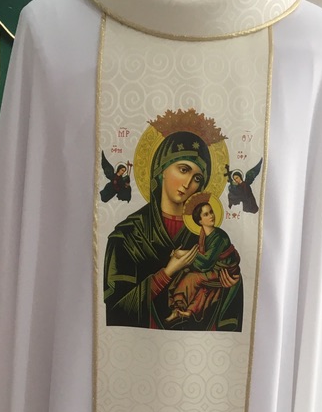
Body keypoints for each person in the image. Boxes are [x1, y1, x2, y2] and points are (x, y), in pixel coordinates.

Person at [103, 129, 244, 331]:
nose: (188, 184)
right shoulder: (127, 235)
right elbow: (115, 311)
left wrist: (228, 284)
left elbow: (229, 299)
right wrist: (167, 273)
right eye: (183, 170)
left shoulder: (207, 234)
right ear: (161, 169)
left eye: (197, 178)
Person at [166, 197, 242, 325]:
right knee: (192, 279)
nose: (211, 216)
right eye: (206, 214)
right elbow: (202, 258)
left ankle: (179, 306)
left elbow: (206, 262)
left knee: (191, 278)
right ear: (200, 221)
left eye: (211, 212)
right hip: (215, 269)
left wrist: (183, 253)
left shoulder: (219, 237)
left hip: (224, 271)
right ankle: (182, 311)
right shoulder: (204, 236)